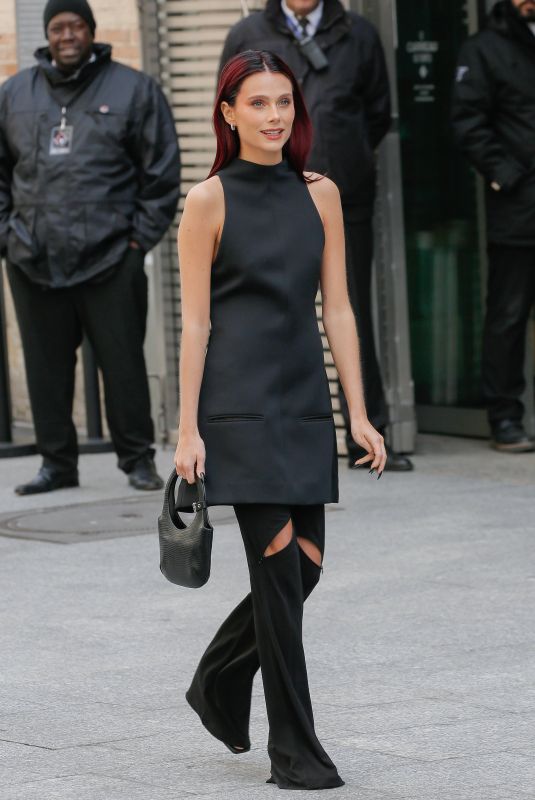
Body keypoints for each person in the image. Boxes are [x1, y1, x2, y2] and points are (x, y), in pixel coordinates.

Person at [174, 49, 386, 790]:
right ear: (228, 113)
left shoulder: (320, 193)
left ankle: (215, 680)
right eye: (257, 103)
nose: (273, 116)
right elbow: (194, 324)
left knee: (304, 573)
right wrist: (186, 429)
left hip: (302, 403)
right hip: (238, 410)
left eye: (283, 103)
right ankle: (293, 751)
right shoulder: (206, 202)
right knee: (276, 578)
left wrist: (358, 412)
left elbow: (339, 309)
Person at [220, 0, 413, 472]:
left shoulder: (359, 34)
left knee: (349, 306)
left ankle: (366, 430)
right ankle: (267, 435)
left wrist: (340, 157)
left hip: (343, 193)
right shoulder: (248, 32)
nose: (276, 113)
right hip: (265, 197)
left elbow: (378, 113)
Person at [0, 0, 181, 494]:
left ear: (92, 31)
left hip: (110, 259)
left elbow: (162, 173)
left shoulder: (135, 89)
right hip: (33, 259)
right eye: (58, 27)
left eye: (76, 25)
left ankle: (138, 460)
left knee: (123, 365)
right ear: (47, 35)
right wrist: (7, 236)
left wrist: (138, 239)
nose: (67, 35)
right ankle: (57, 464)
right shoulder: (13, 94)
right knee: (46, 369)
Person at [451, 0, 535, 453]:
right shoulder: (484, 48)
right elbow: (467, 122)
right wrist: (506, 173)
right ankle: (504, 417)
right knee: (508, 314)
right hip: (519, 207)